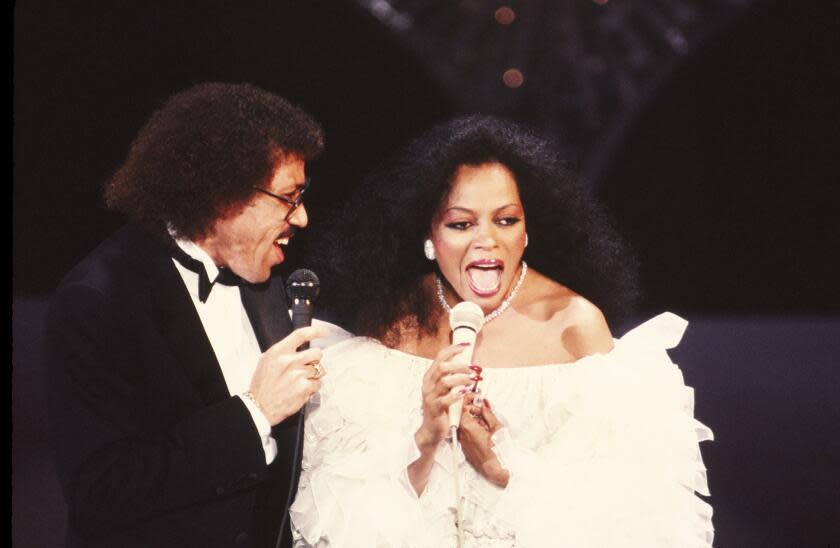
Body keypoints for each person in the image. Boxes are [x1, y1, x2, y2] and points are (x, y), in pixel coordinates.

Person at [290, 116, 714, 547]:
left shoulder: (574, 326)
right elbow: (349, 516)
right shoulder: (392, 319)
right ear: (429, 237)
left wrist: (499, 467)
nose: (486, 240)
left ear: (527, 231)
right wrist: (428, 433)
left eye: (505, 220)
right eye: (461, 224)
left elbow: (623, 520)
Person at [45, 82, 329, 548]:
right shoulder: (97, 300)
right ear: (223, 195)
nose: (301, 219)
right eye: (288, 197)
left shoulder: (267, 283)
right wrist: (254, 414)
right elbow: (101, 494)